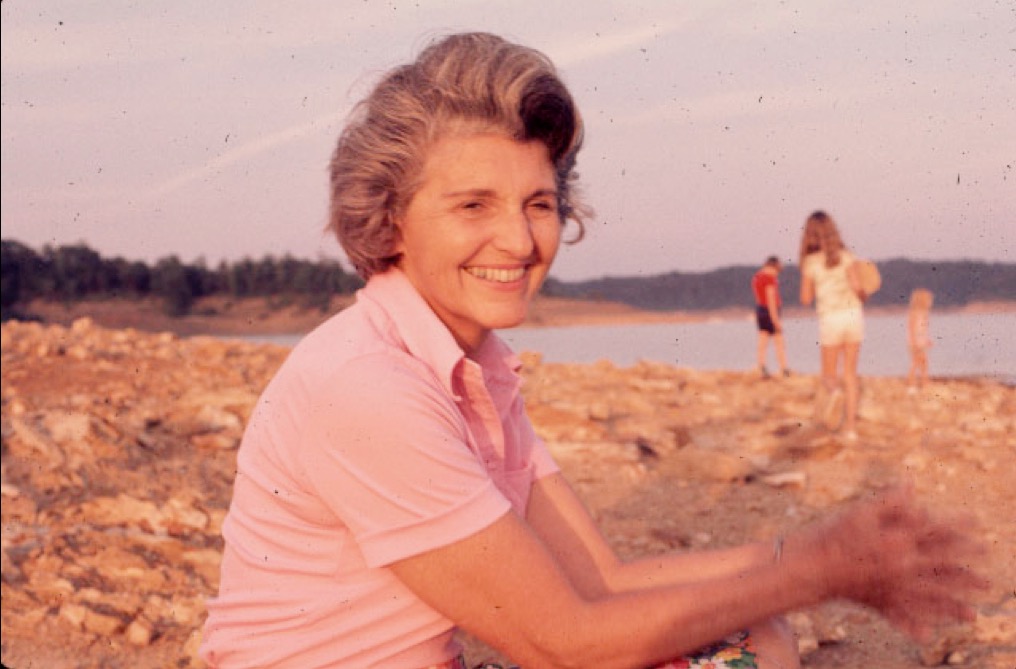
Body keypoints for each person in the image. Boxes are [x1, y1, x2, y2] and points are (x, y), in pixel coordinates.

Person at [200, 34, 985, 669]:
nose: (519, 239)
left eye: (538, 203)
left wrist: (811, 554)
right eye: (473, 204)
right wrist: (820, 571)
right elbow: (565, 641)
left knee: (755, 636)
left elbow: (599, 578)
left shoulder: (475, 370)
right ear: (391, 219)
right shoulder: (370, 384)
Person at [798, 210, 869, 440]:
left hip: (830, 319)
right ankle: (850, 428)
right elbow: (858, 289)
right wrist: (863, 293)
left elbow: (805, 298)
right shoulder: (847, 256)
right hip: (853, 316)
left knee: (829, 376)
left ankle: (834, 401)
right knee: (850, 374)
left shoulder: (810, 262)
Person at [751, 255, 789, 378]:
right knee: (779, 342)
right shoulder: (769, 279)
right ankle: (784, 369)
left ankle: (761, 366)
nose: (777, 274)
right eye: (777, 271)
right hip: (770, 311)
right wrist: (775, 320)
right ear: (773, 267)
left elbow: (759, 297)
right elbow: (771, 299)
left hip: (760, 309)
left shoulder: (757, 277)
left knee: (762, 341)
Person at [907, 288, 934, 392]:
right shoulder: (915, 313)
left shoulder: (924, 314)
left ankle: (924, 382)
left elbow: (923, 330)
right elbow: (911, 328)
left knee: (924, 363)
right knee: (916, 363)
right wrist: (914, 341)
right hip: (915, 342)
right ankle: (911, 383)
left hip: (921, 342)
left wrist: (927, 340)